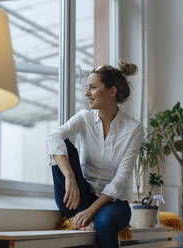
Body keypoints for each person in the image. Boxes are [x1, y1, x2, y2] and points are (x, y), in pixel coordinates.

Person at [47, 60, 143, 248]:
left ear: (112, 91)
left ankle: (90, 217)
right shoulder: (84, 117)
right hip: (78, 197)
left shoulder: (133, 129)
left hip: (113, 204)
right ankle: (83, 213)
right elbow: (53, 138)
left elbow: (120, 180)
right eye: (86, 88)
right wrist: (70, 177)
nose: (86, 94)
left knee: (104, 222)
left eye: (92, 87)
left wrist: (90, 212)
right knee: (62, 143)